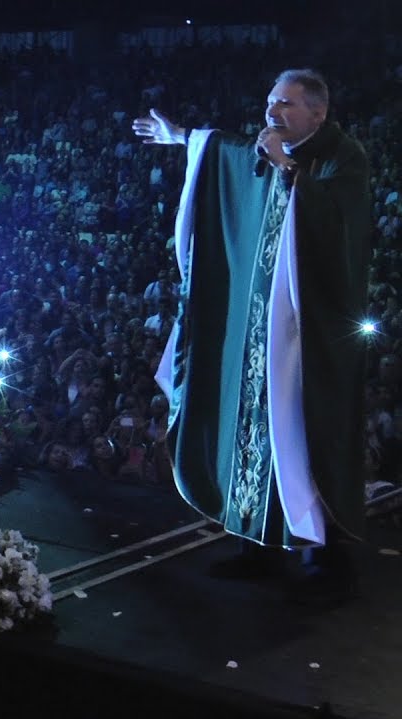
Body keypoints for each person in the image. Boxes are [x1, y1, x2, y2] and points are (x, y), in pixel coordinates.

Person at [132, 69, 372, 600]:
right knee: (251, 425)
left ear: (318, 112)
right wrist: (181, 138)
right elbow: (228, 150)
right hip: (261, 328)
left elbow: (338, 227)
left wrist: (287, 169)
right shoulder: (267, 147)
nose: (273, 111)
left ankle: (326, 559)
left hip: (308, 340)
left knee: (305, 437)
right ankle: (254, 546)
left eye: (286, 104)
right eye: (270, 101)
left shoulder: (343, 157)